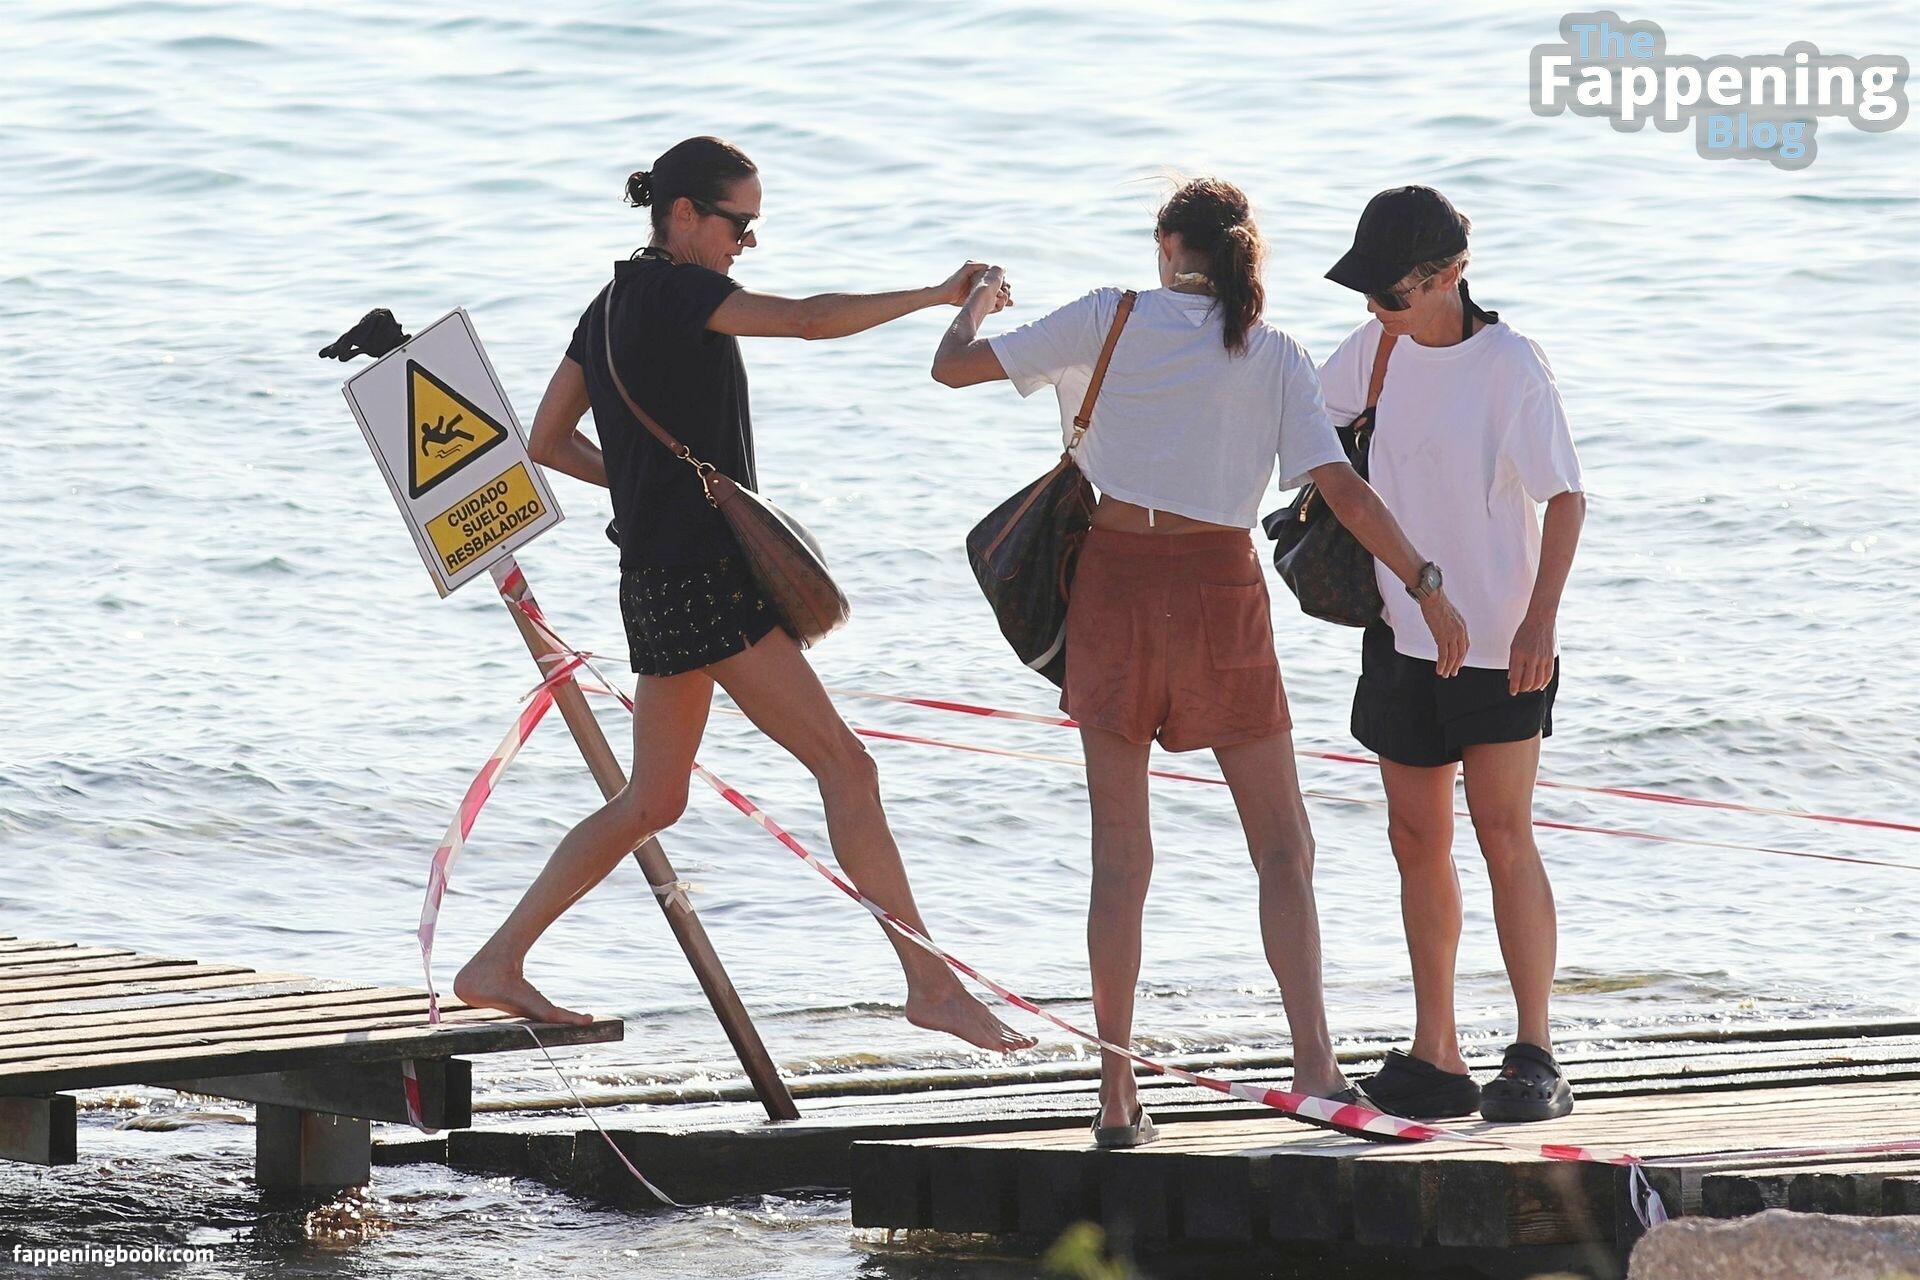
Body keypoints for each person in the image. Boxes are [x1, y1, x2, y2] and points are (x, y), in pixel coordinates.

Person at [454, 136, 1035, 1055]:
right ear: (685, 214)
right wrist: (935, 295)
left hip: (654, 579)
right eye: (739, 224)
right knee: (848, 769)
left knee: (652, 801)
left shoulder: (607, 306)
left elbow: (548, 440)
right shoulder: (679, 290)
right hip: (704, 579)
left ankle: (496, 963)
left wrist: (647, 488)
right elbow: (809, 321)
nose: (746, 243)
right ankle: (932, 987)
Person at [930, 178, 1469, 1145]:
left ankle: (1116, 1093)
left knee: (1119, 857)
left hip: (1113, 587)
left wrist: (975, 300)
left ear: (1169, 245)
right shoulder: (1272, 352)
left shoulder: (1109, 316)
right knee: (1283, 846)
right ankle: (1315, 1068)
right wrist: (1424, 583)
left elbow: (951, 369)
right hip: (1219, 591)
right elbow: (1341, 490)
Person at [1320, 186, 1586, 1122]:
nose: (1374, 306)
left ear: (1450, 276)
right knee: (1415, 838)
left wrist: (1541, 622)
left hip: (1502, 639)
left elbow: (1565, 498)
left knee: (1503, 833)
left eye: (1389, 292)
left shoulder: (1510, 366)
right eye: (1365, 289)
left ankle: (1536, 1053)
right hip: (1402, 633)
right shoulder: (1376, 349)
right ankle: (1438, 1052)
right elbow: (1303, 426)